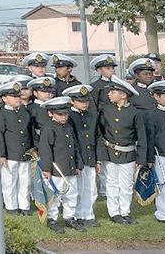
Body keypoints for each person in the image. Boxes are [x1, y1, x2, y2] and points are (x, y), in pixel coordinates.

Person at [99, 76, 148, 224]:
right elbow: (100, 131)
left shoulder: (134, 113)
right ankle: (114, 212)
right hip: (110, 152)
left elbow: (141, 137)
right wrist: (101, 154)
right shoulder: (106, 110)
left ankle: (125, 211)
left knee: (126, 185)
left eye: (113, 91)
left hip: (128, 154)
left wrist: (141, 158)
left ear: (123, 95)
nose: (109, 94)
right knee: (112, 183)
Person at [37, 96, 86, 233]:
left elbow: (74, 147)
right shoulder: (48, 128)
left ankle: (69, 217)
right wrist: (46, 169)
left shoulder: (68, 127)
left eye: (65, 114)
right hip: (56, 169)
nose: (64, 117)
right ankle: (52, 219)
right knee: (55, 196)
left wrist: (78, 164)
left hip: (70, 167)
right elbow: (45, 150)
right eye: (60, 114)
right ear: (50, 113)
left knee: (72, 194)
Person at [65, 84, 99, 228]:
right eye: (80, 101)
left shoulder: (91, 116)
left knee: (91, 188)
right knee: (77, 189)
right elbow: (72, 142)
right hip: (77, 159)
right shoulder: (69, 117)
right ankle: (76, 215)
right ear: (72, 101)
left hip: (90, 157)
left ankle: (88, 214)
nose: (84, 104)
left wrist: (97, 160)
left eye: (86, 101)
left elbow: (96, 137)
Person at [0, 77, 34, 216]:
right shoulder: (2, 114)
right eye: (13, 96)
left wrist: (32, 150)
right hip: (10, 153)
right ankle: (11, 206)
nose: (17, 99)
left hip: (25, 153)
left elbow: (29, 132)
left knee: (25, 181)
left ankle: (24, 205)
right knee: (10, 181)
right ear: (4, 98)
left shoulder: (24, 112)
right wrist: (2, 154)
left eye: (18, 96)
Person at [146, 80, 165, 223]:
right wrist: (149, 158)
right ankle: (163, 213)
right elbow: (149, 138)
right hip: (161, 155)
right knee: (163, 184)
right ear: (156, 96)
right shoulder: (152, 115)